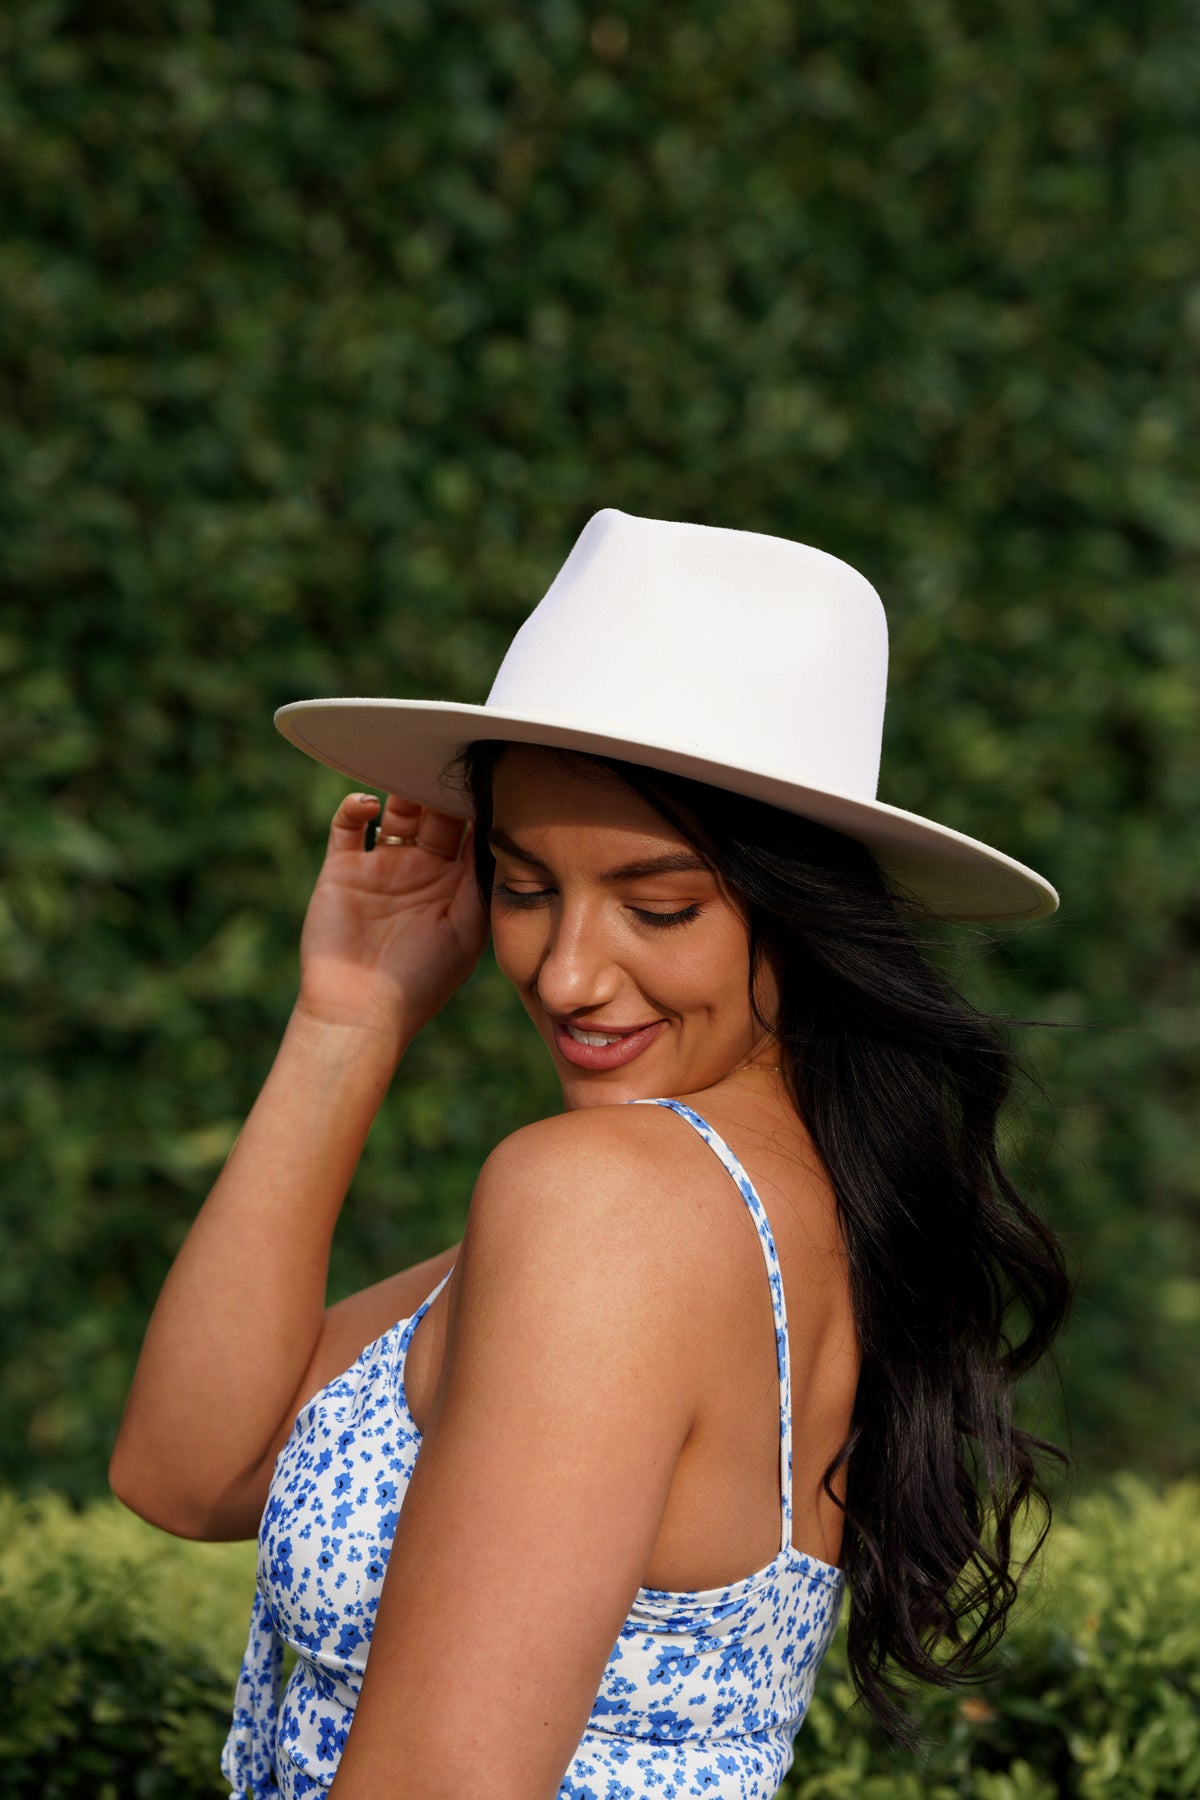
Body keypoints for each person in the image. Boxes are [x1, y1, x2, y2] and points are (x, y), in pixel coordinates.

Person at [110, 509, 1071, 1800]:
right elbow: (189, 1471)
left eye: (657, 906)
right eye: (523, 887)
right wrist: (351, 1014)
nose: (564, 973)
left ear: (807, 911)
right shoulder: (748, 1203)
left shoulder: (610, 1207)